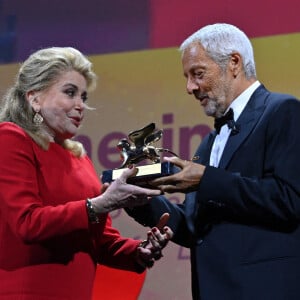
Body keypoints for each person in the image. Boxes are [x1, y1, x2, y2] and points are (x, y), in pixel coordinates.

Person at [126, 23, 300, 300]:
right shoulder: (210, 142)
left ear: (233, 63)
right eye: (187, 76)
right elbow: (194, 226)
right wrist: (141, 201)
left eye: (198, 73)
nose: (190, 87)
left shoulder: (283, 111)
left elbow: (290, 200)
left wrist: (206, 179)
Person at [0, 46, 173, 300]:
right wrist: (98, 205)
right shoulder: (12, 138)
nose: (80, 106)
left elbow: (99, 239)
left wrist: (139, 251)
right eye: (70, 93)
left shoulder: (79, 158)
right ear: (34, 98)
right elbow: (27, 223)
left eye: (84, 97)